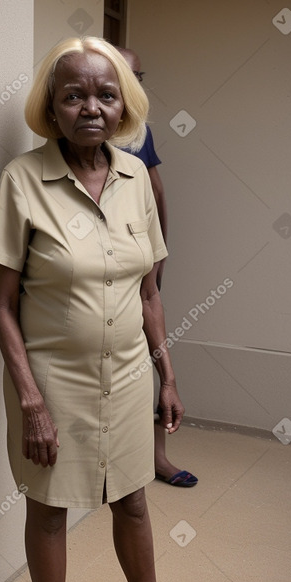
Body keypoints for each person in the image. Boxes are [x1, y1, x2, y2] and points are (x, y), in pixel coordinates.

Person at [0, 36, 210, 582]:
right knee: (50, 506)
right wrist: (30, 400)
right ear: (51, 108)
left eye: (106, 94)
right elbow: (0, 307)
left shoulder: (138, 177)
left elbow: (148, 291)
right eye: (74, 93)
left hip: (132, 370)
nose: (91, 106)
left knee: (134, 498)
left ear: (124, 107)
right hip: (51, 379)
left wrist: (168, 374)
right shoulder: (23, 180)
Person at [117, 46, 198, 489]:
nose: (132, 86)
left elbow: (156, 189)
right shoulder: (79, 128)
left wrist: (159, 251)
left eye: (138, 77)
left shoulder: (136, 130)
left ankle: (157, 458)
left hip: (137, 258)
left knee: (152, 345)